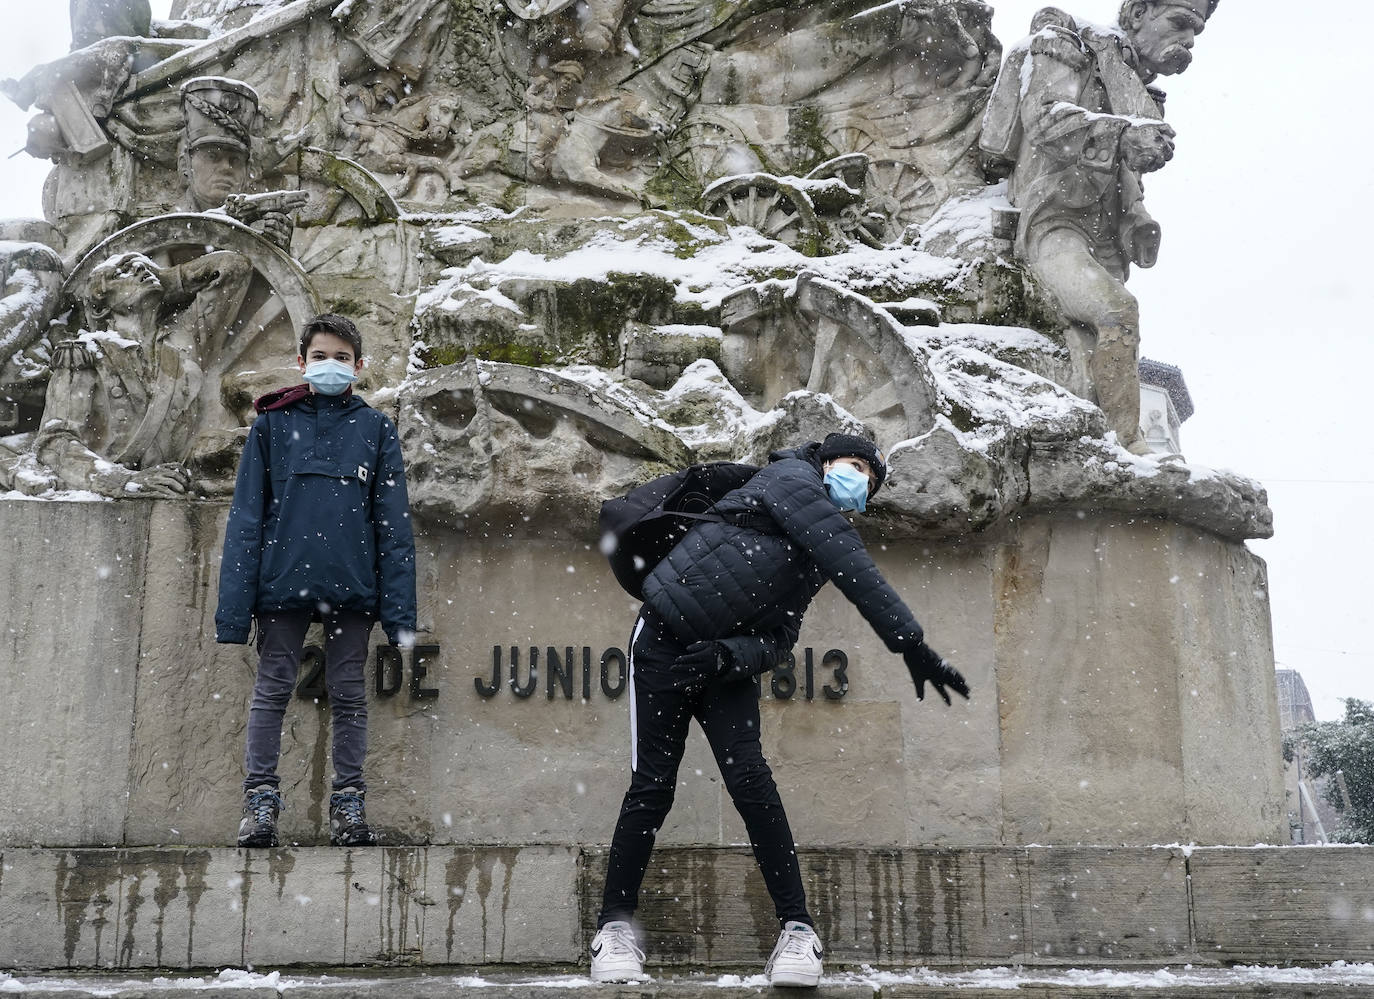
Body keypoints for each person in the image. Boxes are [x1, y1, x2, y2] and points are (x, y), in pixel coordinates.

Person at [590, 433, 969, 986]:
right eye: (854, 464)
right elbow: (850, 559)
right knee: (652, 787)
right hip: (663, 642)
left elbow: (779, 638)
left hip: (720, 664)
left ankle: (797, 932)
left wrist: (725, 656)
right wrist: (909, 642)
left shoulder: (812, 547)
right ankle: (613, 930)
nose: (859, 477)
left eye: (871, 476)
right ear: (826, 460)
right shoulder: (789, 480)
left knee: (752, 784)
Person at [214, 313, 417, 848]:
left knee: (349, 694)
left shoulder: (376, 429)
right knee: (271, 690)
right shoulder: (272, 426)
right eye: (321, 356)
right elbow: (245, 520)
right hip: (281, 585)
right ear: (301, 362)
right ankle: (260, 803)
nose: (332, 365)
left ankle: (349, 806)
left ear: (360, 366)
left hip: (352, 591)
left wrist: (398, 616)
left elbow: (393, 527)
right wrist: (235, 613)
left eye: (343, 357)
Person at [979, 0, 1216, 455]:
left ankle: (1099, 440)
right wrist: (1123, 135)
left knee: (1100, 339)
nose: (1187, 42)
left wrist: (1138, 215)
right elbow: (1046, 119)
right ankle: (1127, 445)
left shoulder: (1134, 86)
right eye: (1179, 23)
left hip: (1106, 237)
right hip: (1053, 220)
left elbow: (1130, 172)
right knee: (1116, 312)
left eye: (1196, 33)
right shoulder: (1065, 44)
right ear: (1138, 12)